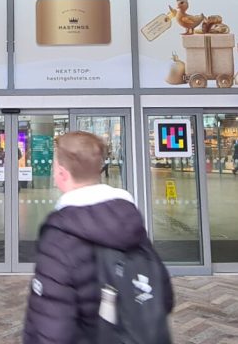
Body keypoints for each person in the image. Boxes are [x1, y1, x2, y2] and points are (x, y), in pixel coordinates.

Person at [23, 131, 173, 344]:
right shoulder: (129, 220)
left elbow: (52, 325)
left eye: (54, 166)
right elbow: (164, 297)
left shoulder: (59, 235)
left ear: (62, 173)